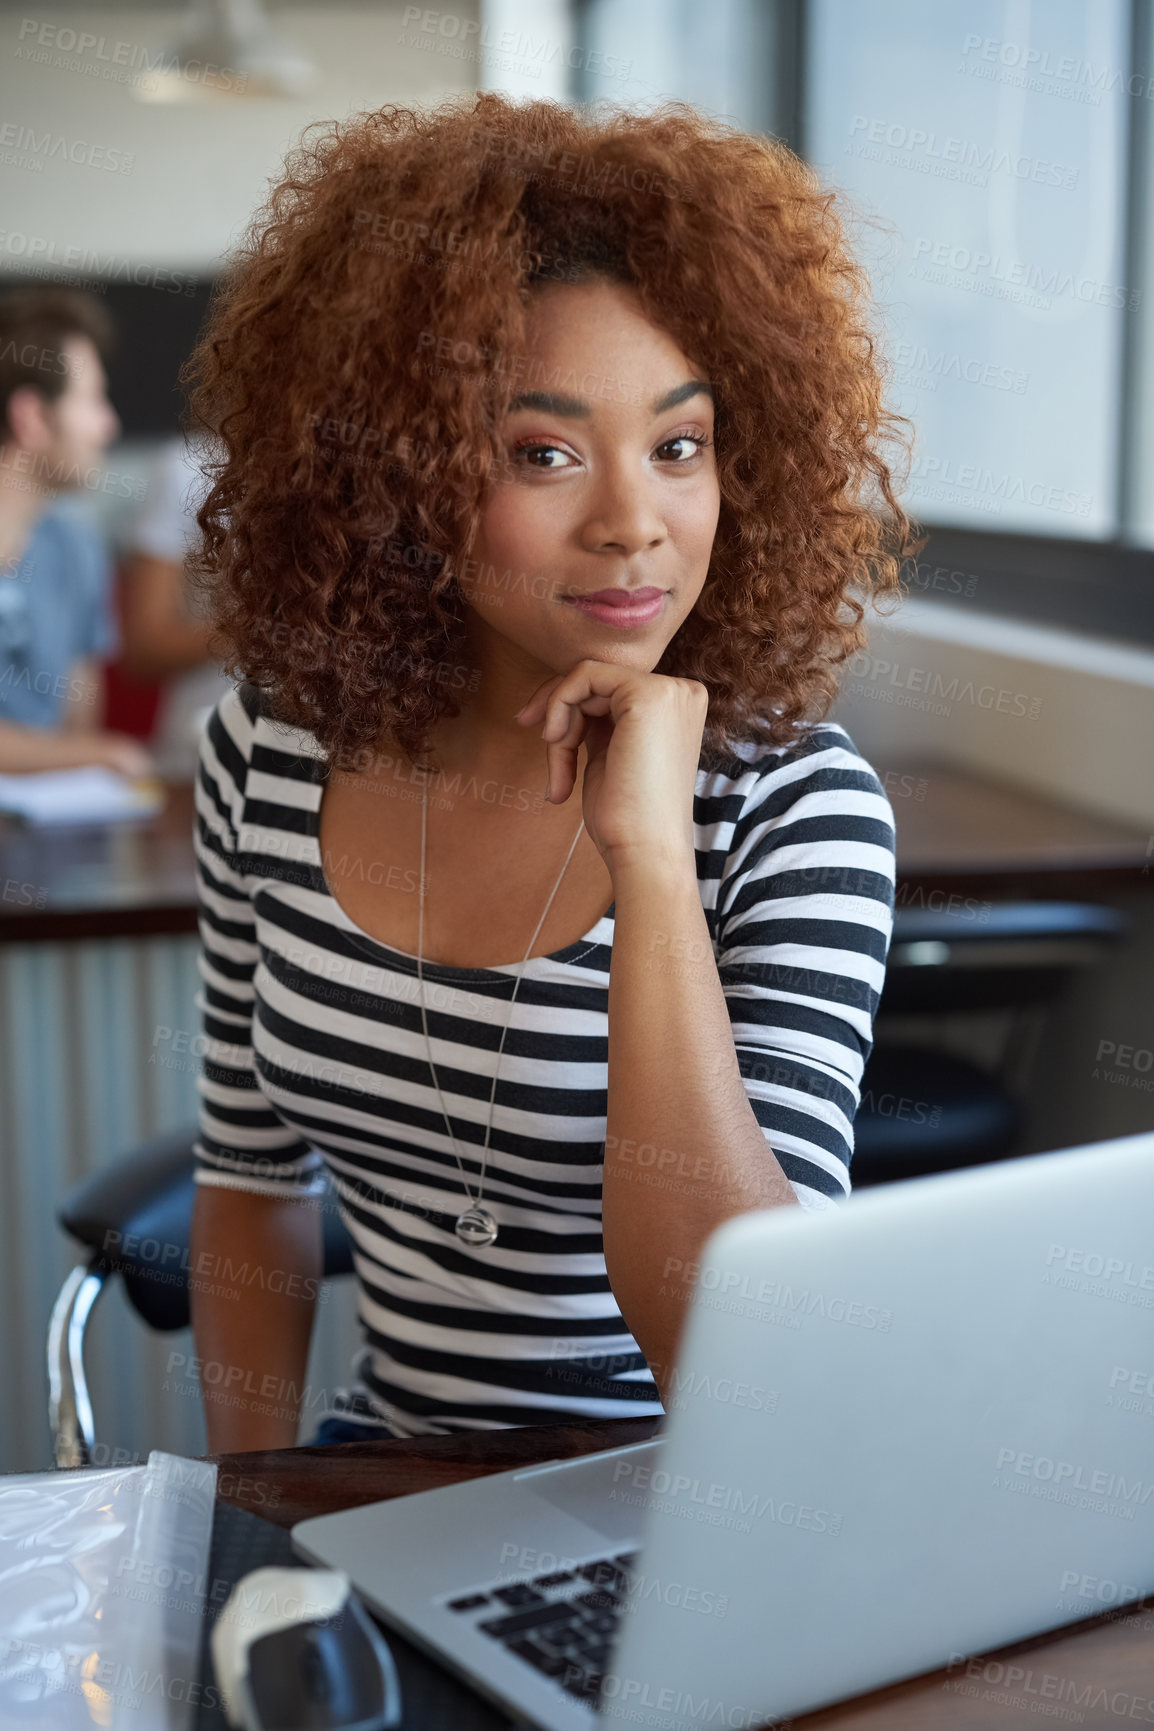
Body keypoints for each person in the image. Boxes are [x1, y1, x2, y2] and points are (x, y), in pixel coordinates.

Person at [184, 93, 915, 1454]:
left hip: (689, 1519)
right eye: (544, 452)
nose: (634, 518)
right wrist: (250, 1504)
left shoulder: (792, 809)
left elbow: (731, 1351)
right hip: (376, 1484)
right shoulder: (267, 753)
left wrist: (648, 857)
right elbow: (245, 1182)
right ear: (398, 473)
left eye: (679, 445)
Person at [0, 286, 153, 776]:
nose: (108, 425)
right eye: (91, 400)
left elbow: (76, 726)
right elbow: (83, 752)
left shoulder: (77, 546)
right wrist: (101, 754)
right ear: (32, 417)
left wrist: (84, 754)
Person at [119, 433, 235, 779]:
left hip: (325, 760)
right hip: (197, 760)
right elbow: (144, 647)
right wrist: (259, 628)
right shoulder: (188, 467)